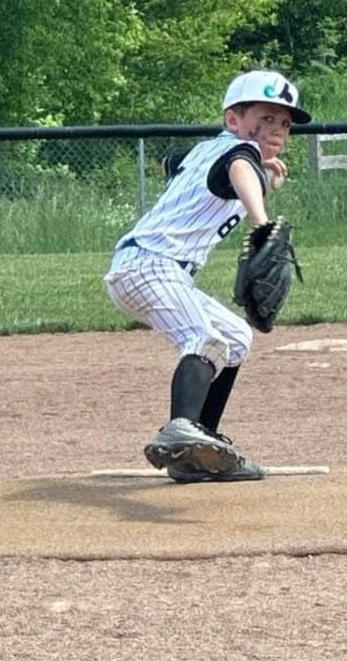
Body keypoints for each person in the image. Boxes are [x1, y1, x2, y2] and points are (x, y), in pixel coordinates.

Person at [104, 69, 311, 483]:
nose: (277, 129)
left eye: (285, 123)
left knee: (235, 337)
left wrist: (266, 177)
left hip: (152, 269)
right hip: (151, 264)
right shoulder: (238, 152)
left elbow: (178, 165)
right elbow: (237, 166)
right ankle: (181, 428)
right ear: (233, 120)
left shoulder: (206, 151)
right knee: (203, 339)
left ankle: (200, 449)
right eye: (266, 118)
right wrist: (261, 219)